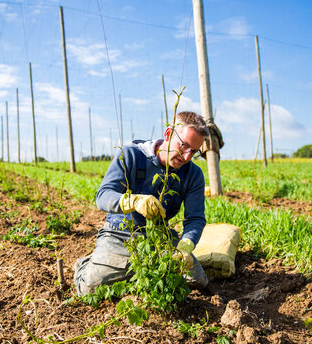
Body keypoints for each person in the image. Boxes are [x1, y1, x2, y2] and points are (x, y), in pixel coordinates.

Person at [74, 111, 210, 296]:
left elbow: (195, 218)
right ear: (168, 134)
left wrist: (185, 245)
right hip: (120, 232)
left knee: (197, 280)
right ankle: (89, 263)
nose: (186, 156)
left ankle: (128, 268)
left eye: (193, 151)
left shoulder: (193, 174)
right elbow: (103, 195)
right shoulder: (131, 154)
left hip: (159, 235)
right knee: (90, 288)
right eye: (184, 145)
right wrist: (133, 201)